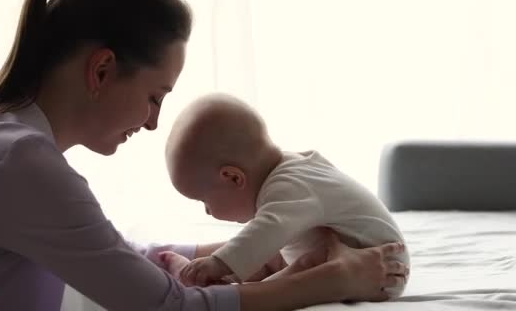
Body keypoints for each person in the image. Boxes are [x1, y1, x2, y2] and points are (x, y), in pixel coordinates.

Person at [0, 0, 406, 310]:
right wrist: (337, 278)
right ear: (101, 71)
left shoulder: (6, 143)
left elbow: (117, 257)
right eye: (155, 97)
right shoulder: (17, 162)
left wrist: (256, 251)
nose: (152, 123)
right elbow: (166, 307)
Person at [163, 93, 410, 297]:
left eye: (204, 201)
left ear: (234, 178)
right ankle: (207, 282)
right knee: (272, 254)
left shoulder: (289, 187)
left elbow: (265, 230)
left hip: (378, 268)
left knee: (270, 254)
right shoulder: (292, 169)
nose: (207, 211)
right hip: (347, 252)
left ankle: (225, 290)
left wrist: (218, 263)